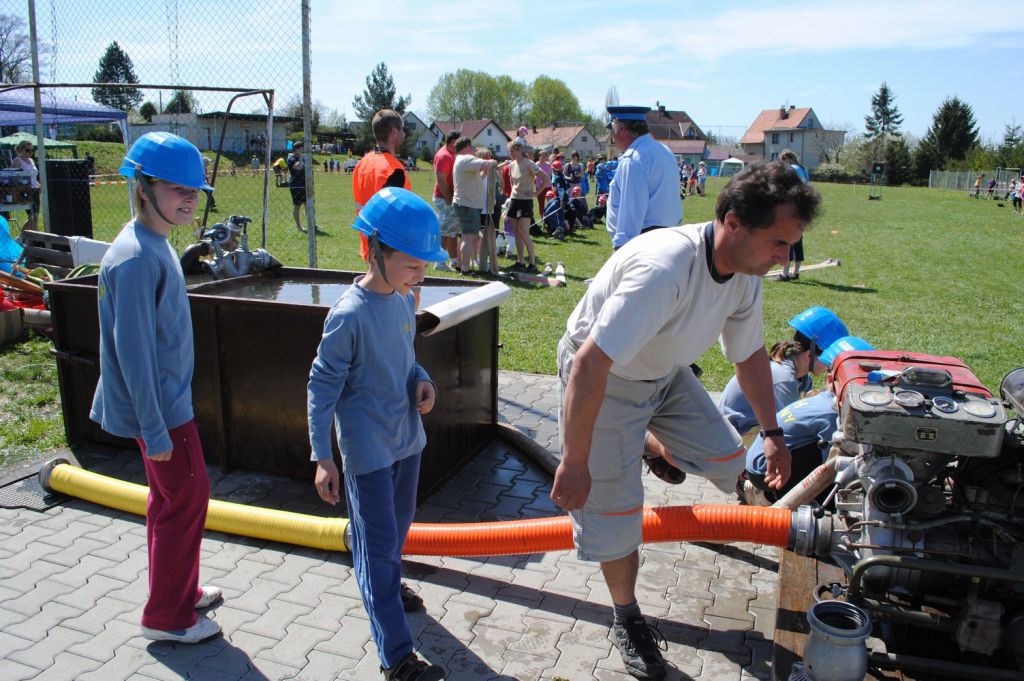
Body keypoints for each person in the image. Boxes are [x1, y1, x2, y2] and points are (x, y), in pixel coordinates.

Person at [551, 161, 820, 680]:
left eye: (791, 245)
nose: (786, 257)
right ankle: (627, 618)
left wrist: (773, 435)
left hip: (664, 373)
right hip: (607, 381)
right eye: (779, 243)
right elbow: (588, 365)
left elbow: (749, 355)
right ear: (734, 222)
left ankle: (648, 443)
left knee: (728, 458)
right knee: (616, 521)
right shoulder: (665, 269)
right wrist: (575, 461)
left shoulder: (745, 274)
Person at [308, 187, 447, 681]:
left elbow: (406, 361)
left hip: (407, 444)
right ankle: (397, 659)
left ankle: (381, 574)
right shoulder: (349, 314)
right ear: (375, 250)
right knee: (380, 551)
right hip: (368, 454)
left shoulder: (404, 301)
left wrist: (423, 382)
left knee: (392, 537)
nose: (420, 275)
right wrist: (322, 456)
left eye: (424, 266)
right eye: (412, 265)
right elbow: (321, 386)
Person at [90, 132, 223, 644]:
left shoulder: (153, 240)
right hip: (162, 411)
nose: (188, 199)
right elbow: (134, 353)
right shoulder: (137, 258)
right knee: (186, 500)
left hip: (166, 404)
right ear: (142, 188)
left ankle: (179, 591)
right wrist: (154, 428)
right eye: (176, 189)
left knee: (169, 502)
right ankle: (167, 617)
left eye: (194, 191)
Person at [742, 336, 873, 506]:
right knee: (839, 457)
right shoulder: (831, 413)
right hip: (765, 471)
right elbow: (831, 468)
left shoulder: (824, 398)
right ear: (830, 380)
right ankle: (769, 498)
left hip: (759, 463)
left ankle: (770, 492)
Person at [605, 106, 683, 250]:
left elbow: (631, 211)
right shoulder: (663, 150)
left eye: (611, 129)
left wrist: (621, 249)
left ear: (621, 128)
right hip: (668, 239)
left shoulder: (634, 159)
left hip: (644, 243)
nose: (612, 136)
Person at [353, 109, 411, 262]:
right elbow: (395, 214)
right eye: (402, 129)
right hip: (387, 249)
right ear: (393, 132)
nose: (404, 133)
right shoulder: (393, 169)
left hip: (368, 241)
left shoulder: (363, 162)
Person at [451, 136, 497, 274]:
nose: (473, 150)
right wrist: (493, 162)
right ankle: (465, 268)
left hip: (466, 203)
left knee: (467, 236)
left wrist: (484, 173)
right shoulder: (466, 159)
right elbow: (487, 164)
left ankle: (462, 265)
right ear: (467, 147)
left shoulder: (461, 160)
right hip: (468, 204)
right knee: (468, 237)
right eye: (471, 147)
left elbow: (476, 179)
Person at [502, 140, 549, 272]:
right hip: (514, 200)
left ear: (520, 150)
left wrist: (535, 193)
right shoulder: (512, 165)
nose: (511, 153)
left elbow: (546, 179)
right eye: (510, 151)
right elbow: (512, 182)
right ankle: (520, 261)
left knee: (524, 232)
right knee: (516, 233)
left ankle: (532, 264)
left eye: (513, 151)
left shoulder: (529, 163)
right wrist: (513, 194)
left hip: (525, 202)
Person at [778, 149, 809, 281]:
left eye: (783, 161)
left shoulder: (791, 169)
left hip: (793, 208)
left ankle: (785, 273)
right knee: (798, 240)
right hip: (804, 207)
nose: (782, 164)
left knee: (788, 239)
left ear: (789, 159)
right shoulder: (803, 169)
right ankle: (795, 272)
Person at [432, 131, 461, 271]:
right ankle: (439, 263)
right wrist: (449, 198)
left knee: (452, 230)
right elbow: (441, 179)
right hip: (444, 198)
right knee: (445, 230)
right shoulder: (444, 156)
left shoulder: (451, 154)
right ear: (453, 142)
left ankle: (454, 261)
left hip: (449, 197)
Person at [11, 140, 40, 231]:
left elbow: (34, 176)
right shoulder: (17, 161)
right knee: (32, 216)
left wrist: (39, 184)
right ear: (21, 150)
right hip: (25, 190)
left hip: (35, 189)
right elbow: (13, 178)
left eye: (32, 150)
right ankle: (35, 236)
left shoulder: (31, 160)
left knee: (35, 216)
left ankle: (24, 235)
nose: (30, 152)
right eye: (28, 150)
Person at [288, 141, 308, 233]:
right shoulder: (291, 159)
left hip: (305, 185)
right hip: (296, 186)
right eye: (301, 149)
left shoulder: (303, 158)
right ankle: (299, 226)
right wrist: (300, 156)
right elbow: (299, 167)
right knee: (297, 206)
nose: (302, 151)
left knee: (308, 205)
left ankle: (312, 224)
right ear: (297, 149)